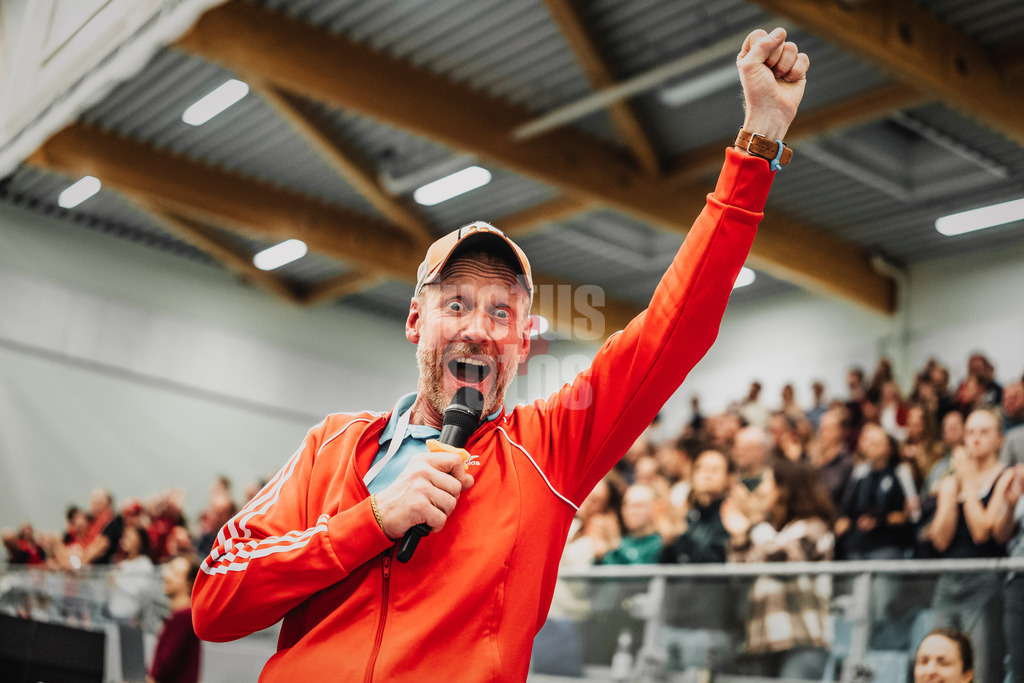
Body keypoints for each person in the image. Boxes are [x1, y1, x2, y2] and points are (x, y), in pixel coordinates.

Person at [190, 27, 811, 680]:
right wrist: (371, 520)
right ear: (414, 320)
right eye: (456, 303)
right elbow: (214, 602)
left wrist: (759, 138)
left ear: (522, 343)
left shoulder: (549, 448)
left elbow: (674, 327)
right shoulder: (333, 446)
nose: (479, 329)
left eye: (502, 312)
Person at [725, 458, 835, 680]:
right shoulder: (769, 533)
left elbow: (782, 560)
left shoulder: (814, 527)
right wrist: (739, 538)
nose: (761, 490)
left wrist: (752, 525)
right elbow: (739, 570)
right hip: (761, 640)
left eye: (767, 482)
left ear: (785, 488)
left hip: (802, 640)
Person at [930, 409, 1015, 683]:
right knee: (940, 654)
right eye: (970, 432)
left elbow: (982, 532)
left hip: (986, 581)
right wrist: (950, 489)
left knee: (982, 665)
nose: (975, 439)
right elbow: (940, 539)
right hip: (949, 579)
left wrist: (965, 482)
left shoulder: (1006, 477)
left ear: (999, 439)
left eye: (984, 432)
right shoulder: (950, 481)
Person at [149, 554, 202, 683]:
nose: (167, 576)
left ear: (189, 583)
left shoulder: (184, 617)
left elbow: (165, 665)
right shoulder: (179, 616)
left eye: (175, 573)